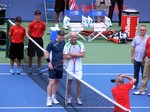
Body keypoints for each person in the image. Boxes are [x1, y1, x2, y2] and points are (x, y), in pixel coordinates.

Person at [63, 32, 85, 105]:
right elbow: (65, 56)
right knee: (69, 82)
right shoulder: (67, 45)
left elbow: (83, 55)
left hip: (78, 67)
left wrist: (72, 54)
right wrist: (77, 55)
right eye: (73, 37)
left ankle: (78, 98)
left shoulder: (80, 44)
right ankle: (68, 98)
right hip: (69, 67)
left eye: (75, 37)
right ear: (70, 37)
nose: (74, 39)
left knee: (78, 83)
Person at [44, 30, 65, 107]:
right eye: (60, 36)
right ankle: (48, 99)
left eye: (62, 37)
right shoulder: (51, 43)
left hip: (60, 65)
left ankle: (53, 97)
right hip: (52, 65)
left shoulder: (63, 43)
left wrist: (63, 60)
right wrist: (49, 63)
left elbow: (63, 52)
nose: (61, 38)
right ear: (57, 35)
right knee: (51, 82)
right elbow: (46, 52)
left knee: (57, 81)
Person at [27, 10, 46, 74]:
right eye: (37, 15)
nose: (38, 17)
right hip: (32, 40)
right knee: (30, 55)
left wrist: (39, 35)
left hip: (39, 40)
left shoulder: (43, 24)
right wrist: (33, 37)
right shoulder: (31, 23)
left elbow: (43, 31)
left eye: (39, 15)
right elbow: (29, 32)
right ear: (35, 16)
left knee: (39, 55)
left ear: (40, 16)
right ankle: (30, 68)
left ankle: (38, 68)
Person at [131, 25, 149, 89]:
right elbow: (133, 47)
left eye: (143, 30)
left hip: (144, 59)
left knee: (144, 74)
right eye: (141, 30)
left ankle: (144, 86)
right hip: (136, 58)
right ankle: (135, 84)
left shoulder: (148, 38)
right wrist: (132, 56)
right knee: (136, 72)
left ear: (146, 31)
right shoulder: (136, 38)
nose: (142, 31)